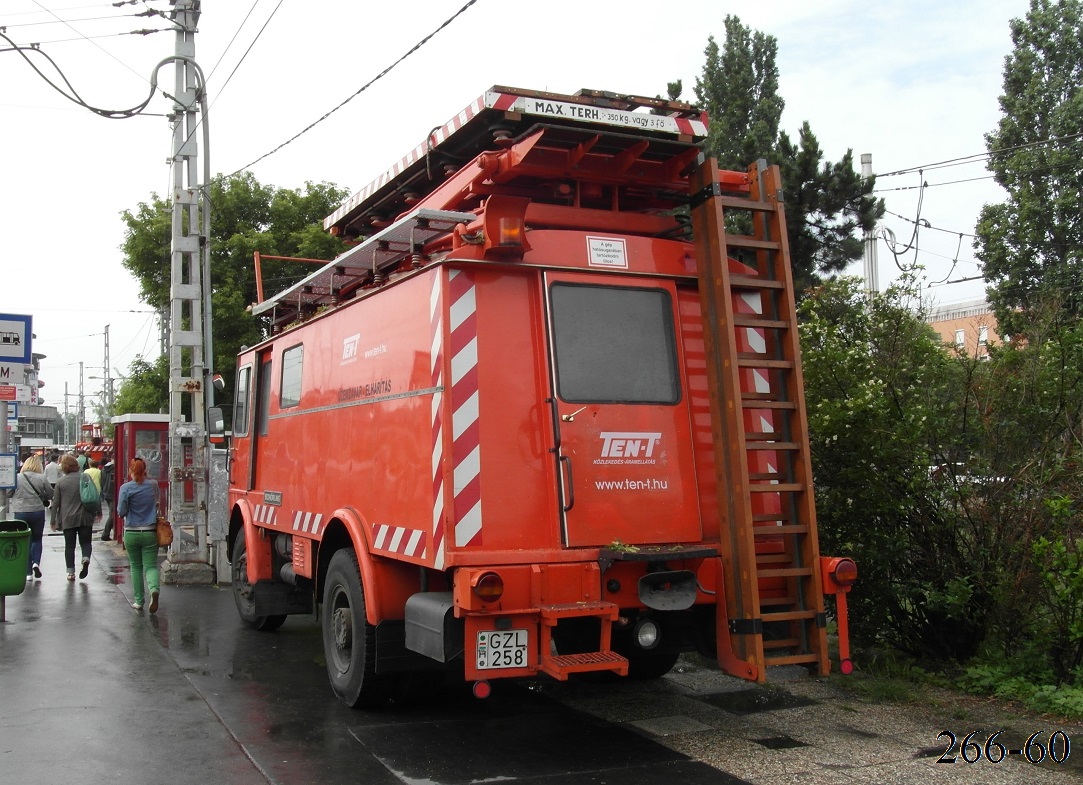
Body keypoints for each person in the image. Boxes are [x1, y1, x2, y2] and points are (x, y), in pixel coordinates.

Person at [117, 457, 161, 612]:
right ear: (145, 470)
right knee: (150, 566)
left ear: (130, 471)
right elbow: (157, 502)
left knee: (136, 567)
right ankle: (154, 590)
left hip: (132, 532)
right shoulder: (153, 485)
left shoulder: (125, 488)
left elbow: (121, 511)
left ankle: (139, 601)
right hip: (150, 531)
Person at [7, 454, 53, 580]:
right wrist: (42, 496)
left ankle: (28, 573)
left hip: (20, 512)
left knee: (24, 540)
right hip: (37, 512)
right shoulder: (41, 478)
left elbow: (8, 493)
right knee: (37, 539)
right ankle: (36, 563)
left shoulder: (17, 478)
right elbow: (50, 493)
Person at [51, 454, 95, 581]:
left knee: (69, 545)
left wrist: (53, 520)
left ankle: (71, 572)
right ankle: (85, 557)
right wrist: (97, 512)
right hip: (85, 516)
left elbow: (56, 503)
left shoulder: (60, 482)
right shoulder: (85, 477)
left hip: (67, 518)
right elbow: (93, 495)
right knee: (86, 542)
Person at [100, 458, 116, 541]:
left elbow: (101, 481)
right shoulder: (114, 468)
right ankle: (105, 534)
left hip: (106, 493)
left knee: (112, 514)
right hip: (113, 493)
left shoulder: (103, 469)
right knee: (112, 515)